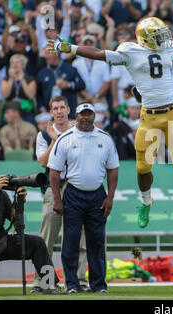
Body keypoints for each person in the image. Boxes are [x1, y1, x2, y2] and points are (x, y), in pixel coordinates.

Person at [47, 17, 173, 235]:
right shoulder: (130, 52)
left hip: (172, 113)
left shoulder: (170, 48)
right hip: (149, 116)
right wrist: (71, 48)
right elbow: (100, 54)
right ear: (144, 38)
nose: (164, 39)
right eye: (157, 36)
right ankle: (146, 202)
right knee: (143, 168)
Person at [48, 103, 119, 294]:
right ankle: (72, 284)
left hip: (97, 194)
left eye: (89, 114)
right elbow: (54, 171)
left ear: (94, 116)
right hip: (73, 193)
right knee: (70, 241)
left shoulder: (105, 138)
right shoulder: (66, 138)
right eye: (82, 114)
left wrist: (110, 197)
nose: (86, 118)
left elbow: (113, 169)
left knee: (96, 242)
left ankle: (98, 285)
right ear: (76, 116)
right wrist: (56, 198)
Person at [0, 158, 63, 296]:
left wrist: (20, 201)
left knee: (37, 243)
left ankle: (49, 285)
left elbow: (15, 221)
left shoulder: (1, 194)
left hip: (1, 244)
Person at [31, 96, 89, 293]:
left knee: (79, 238)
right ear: (51, 112)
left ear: (69, 109)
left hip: (76, 186)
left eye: (62, 107)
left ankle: (79, 281)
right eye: (55, 108)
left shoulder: (79, 132)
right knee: (47, 238)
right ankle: (44, 282)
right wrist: (55, 140)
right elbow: (43, 162)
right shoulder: (44, 135)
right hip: (53, 188)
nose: (59, 111)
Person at [36, 48, 86, 118]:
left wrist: (69, 85)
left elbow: (82, 85)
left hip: (69, 114)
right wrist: (42, 108)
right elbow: (38, 93)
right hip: (50, 114)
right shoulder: (42, 73)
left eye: (48, 53)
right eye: (45, 53)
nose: (45, 56)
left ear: (56, 54)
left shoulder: (70, 68)